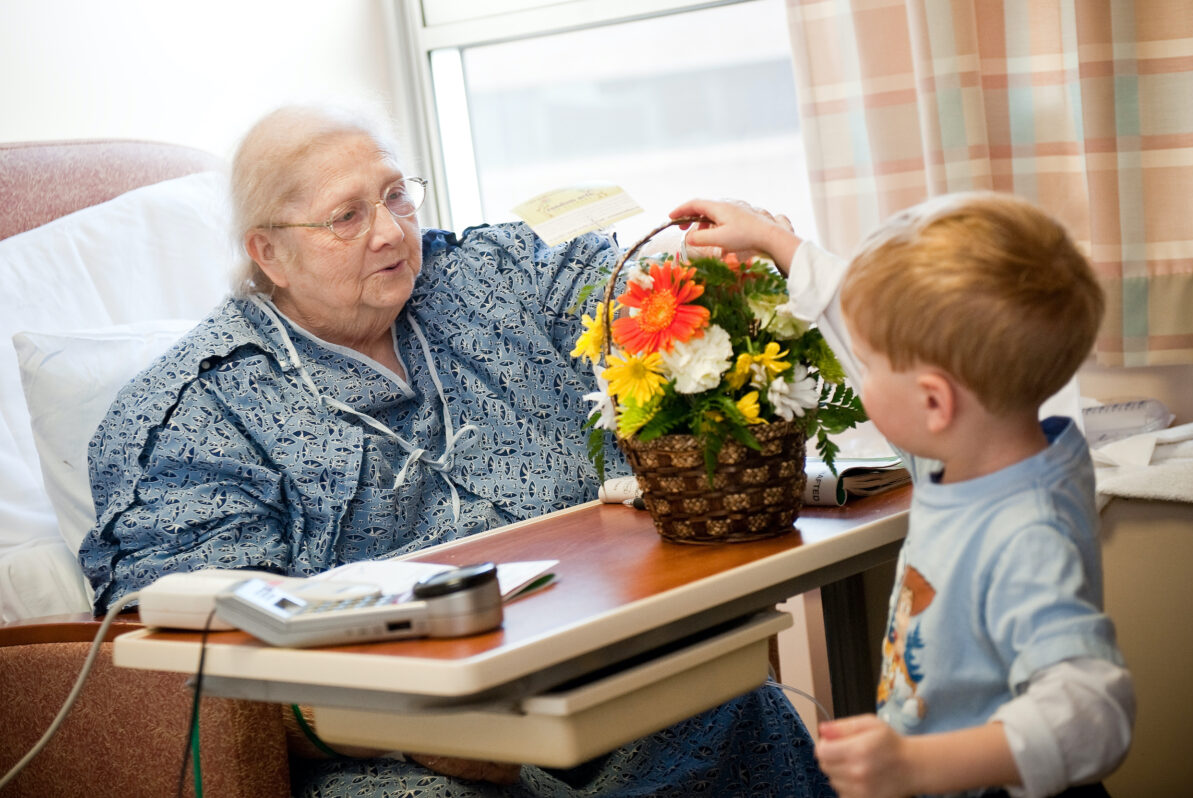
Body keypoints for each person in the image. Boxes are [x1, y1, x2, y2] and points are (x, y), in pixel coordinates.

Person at [78, 104, 834, 798]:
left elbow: (634, 308)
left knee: (733, 704)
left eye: (395, 196)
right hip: (391, 743)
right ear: (268, 253)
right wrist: (421, 733)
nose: (389, 232)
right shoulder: (194, 412)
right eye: (347, 216)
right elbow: (201, 653)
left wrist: (720, 274)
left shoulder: (494, 276)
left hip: (600, 668)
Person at [670, 193, 1136, 798]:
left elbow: (1097, 712)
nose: (862, 377)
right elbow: (872, 335)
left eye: (869, 363)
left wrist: (917, 767)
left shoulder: (1027, 533)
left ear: (934, 403)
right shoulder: (984, 444)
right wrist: (777, 245)